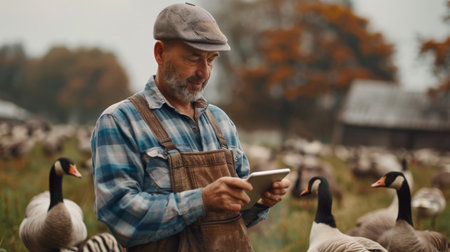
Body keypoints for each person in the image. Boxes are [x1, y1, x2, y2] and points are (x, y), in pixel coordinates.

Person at [90, 3, 291, 251]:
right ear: (160, 53)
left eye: (211, 60)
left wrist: (260, 202)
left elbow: (234, 221)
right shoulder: (120, 122)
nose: (204, 72)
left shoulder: (222, 123)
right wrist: (202, 200)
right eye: (193, 58)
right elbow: (120, 215)